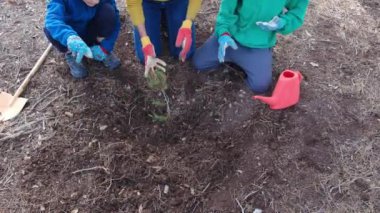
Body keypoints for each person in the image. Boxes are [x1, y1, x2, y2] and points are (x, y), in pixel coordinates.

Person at [192, 0, 310, 94]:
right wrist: (223, 33)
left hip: (258, 44)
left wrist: (283, 22)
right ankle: (230, 54)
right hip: (230, 37)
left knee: (260, 85)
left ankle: (248, 60)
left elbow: (297, 12)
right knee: (199, 63)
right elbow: (226, 11)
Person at [44, 0, 121, 79]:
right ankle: (71, 53)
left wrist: (106, 47)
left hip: (90, 30)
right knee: (50, 30)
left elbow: (115, 17)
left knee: (108, 12)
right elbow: (52, 20)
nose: (95, 2)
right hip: (72, 33)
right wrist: (69, 37)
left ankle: (98, 45)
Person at [126, 0, 202, 75]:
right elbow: (133, 3)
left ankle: (166, 20)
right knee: (144, 57)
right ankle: (162, 19)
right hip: (147, 2)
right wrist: (145, 41)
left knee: (185, 53)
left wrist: (187, 23)